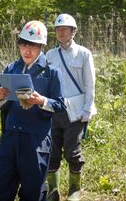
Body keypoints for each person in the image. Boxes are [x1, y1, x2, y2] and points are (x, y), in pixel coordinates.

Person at [0, 20, 66, 201]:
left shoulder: (52, 72)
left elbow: (61, 105)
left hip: (36, 140)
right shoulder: (10, 68)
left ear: (42, 47)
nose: (28, 51)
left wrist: (41, 100)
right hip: (10, 137)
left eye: (33, 46)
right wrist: (1, 97)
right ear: (19, 45)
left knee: (33, 191)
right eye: (24, 45)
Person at [45, 13, 97, 201]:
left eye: (64, 29)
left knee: (72, 151)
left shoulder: (84, 53)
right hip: (53, 109)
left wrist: (88, 109)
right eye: (58, 29)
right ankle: (53, 190)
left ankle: (75, 188)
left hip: (76, 110)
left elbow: (90, 83)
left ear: (73, 31)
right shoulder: (49, 55)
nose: (60, 32)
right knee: (52, 150)